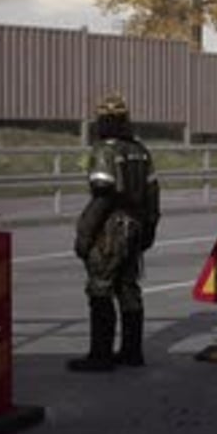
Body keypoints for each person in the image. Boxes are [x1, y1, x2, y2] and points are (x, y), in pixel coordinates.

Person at [68, 92, 160, 372]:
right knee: (129, 288)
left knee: (100, 287)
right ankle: (132, 353)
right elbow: (153, 193)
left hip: (111, 229)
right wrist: (150, 228)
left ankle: (101, 356)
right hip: (136, 225)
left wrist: (84, 233)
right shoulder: (140, 150)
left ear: (101, 121)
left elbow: (103, 194)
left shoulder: (104, 150)